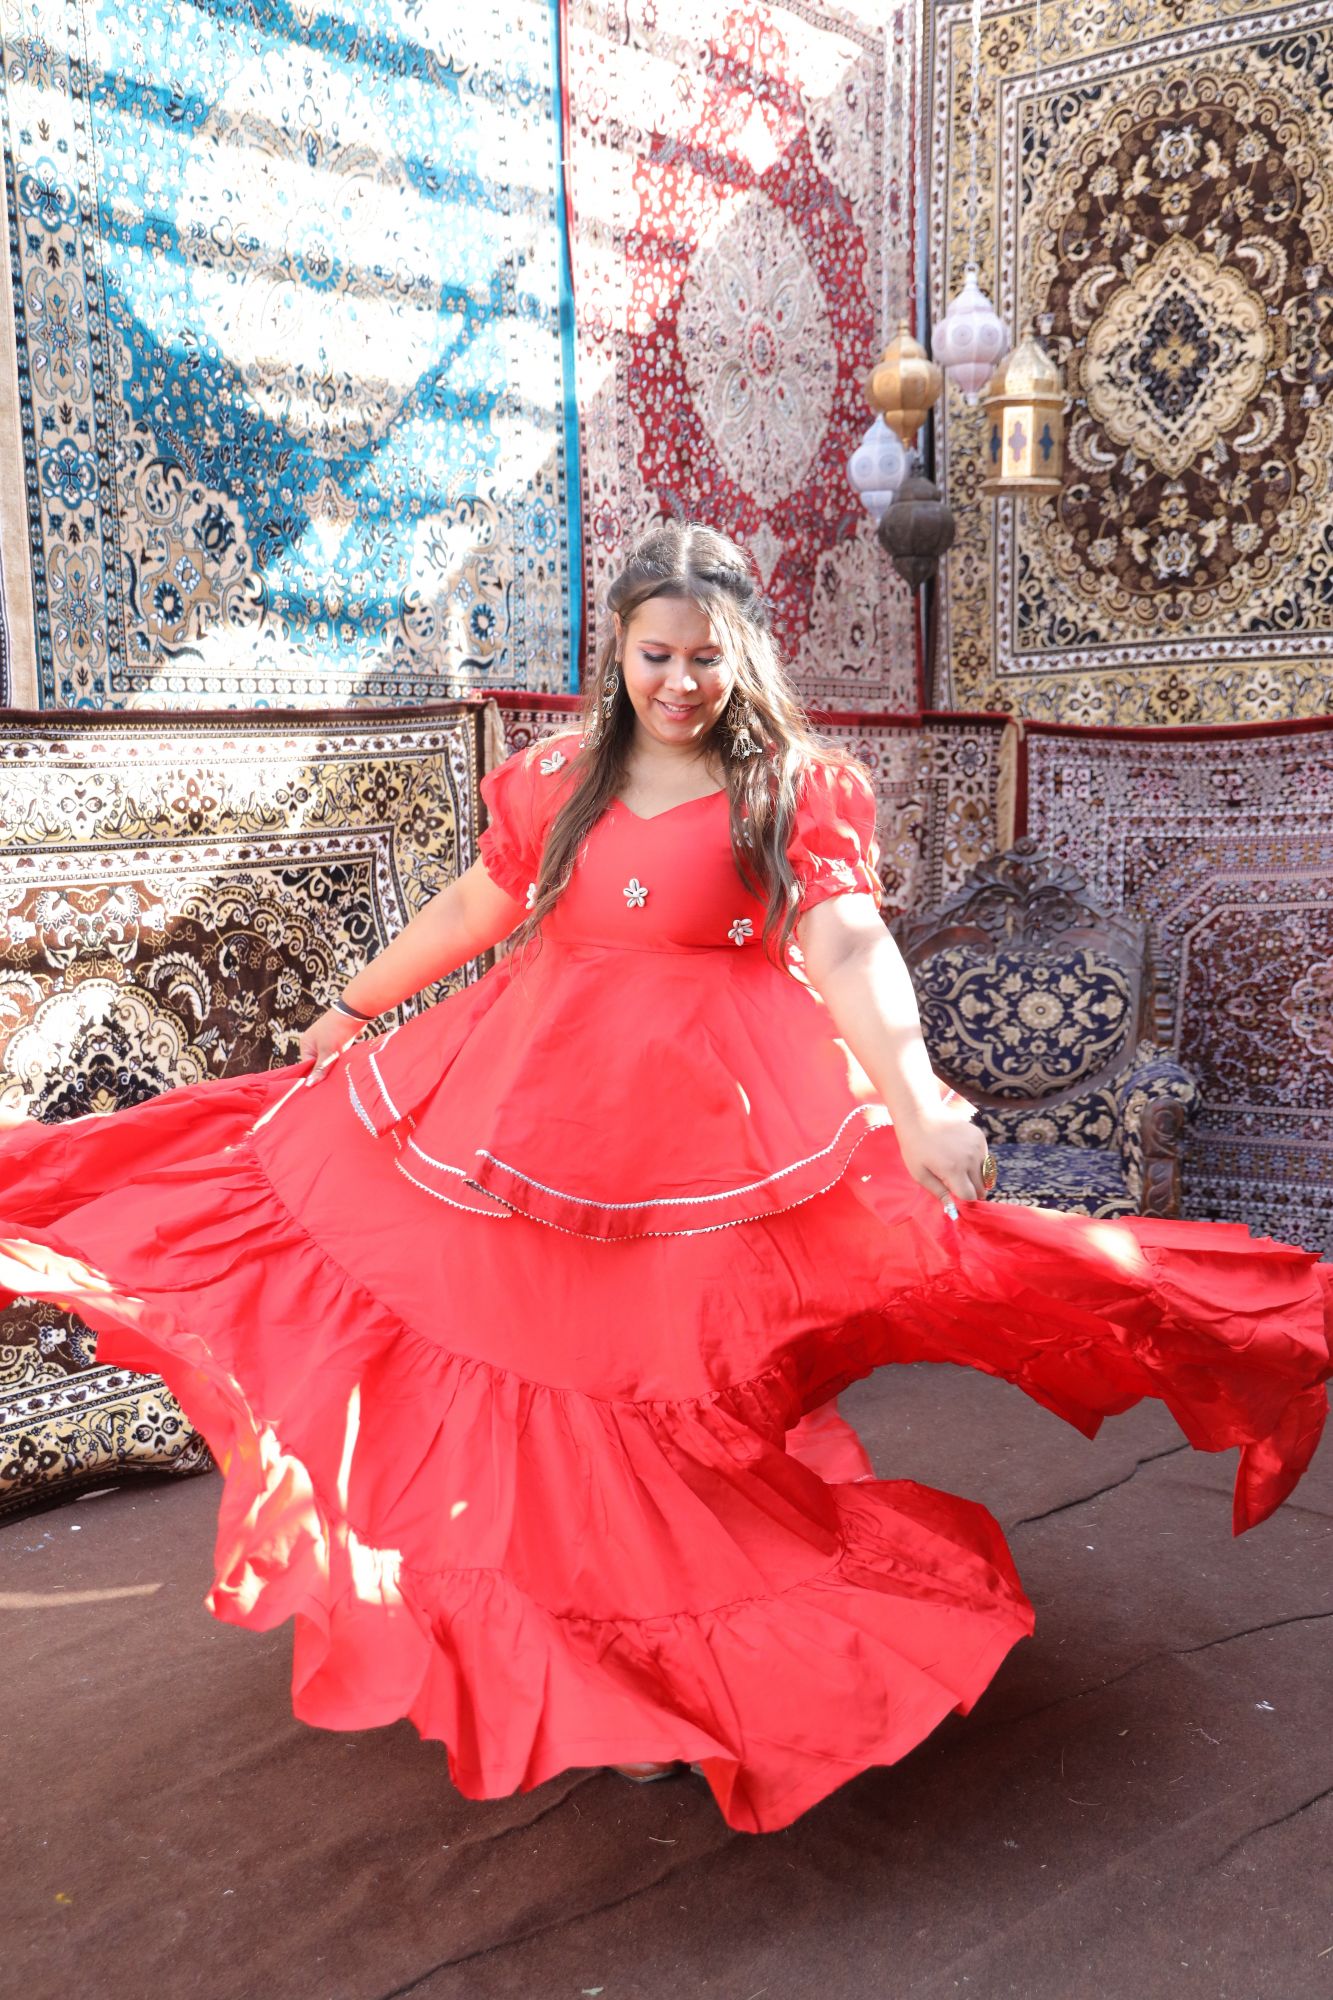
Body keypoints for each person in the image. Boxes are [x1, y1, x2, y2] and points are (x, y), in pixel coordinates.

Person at [0, 523, 1327, 1836]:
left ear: (741, 657)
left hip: (713, 1123)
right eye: (655, 655)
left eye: (705, 657)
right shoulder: (556, 779)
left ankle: (672, 1659)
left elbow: (852, 944)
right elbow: (479, 909)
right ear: (619, 653)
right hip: (526, 1103)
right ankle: (597, 1663)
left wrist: (919, 1100)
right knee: (524, 1361)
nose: (681, 682)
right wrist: (354, 1009)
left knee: (653, 1386)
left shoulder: (792, 788)